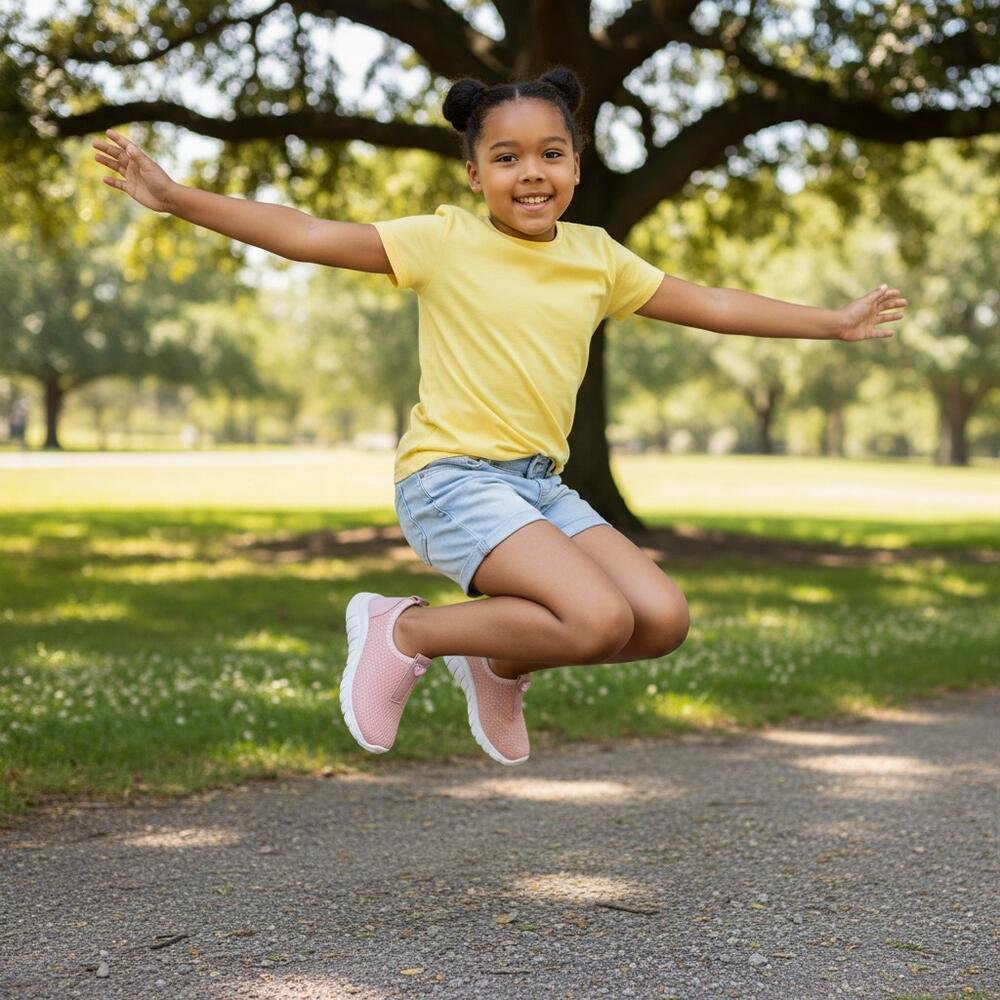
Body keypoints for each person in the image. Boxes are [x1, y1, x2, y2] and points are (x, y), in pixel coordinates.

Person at [92, 66, 907, 768]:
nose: (531, 173)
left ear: (578, 167)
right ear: (473, 173)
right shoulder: (443, 241)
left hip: (539, 488)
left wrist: (832, 322)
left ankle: (497, 659)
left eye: (551, 154)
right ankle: (404, 632)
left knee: (660, 620)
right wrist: (174, 197)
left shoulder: (597, 257)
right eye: (505, 156)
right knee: (596, 620)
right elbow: (306, 233)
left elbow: (715, 303)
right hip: (450, 481)